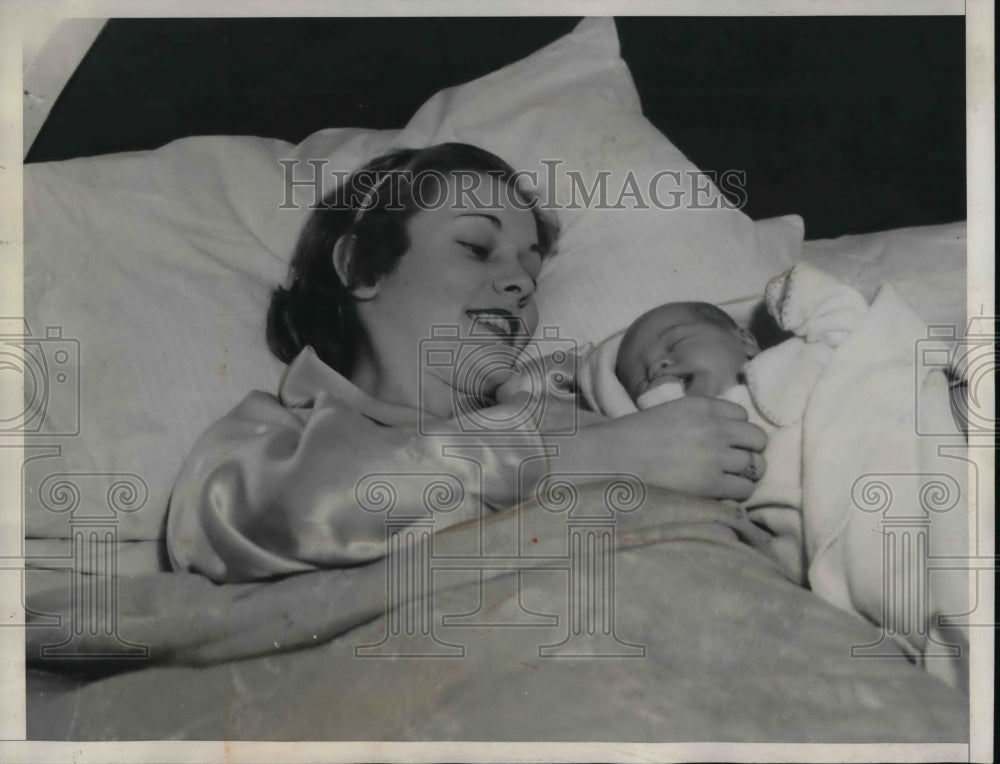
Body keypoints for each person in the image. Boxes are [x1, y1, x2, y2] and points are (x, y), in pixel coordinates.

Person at [166, 143, 768, 583]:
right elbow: (253, 520)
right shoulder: (277, 436)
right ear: (362, 266)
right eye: (477, 248)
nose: (520, 283)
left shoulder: (592, 395)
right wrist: (583, 458)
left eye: (531, 269)